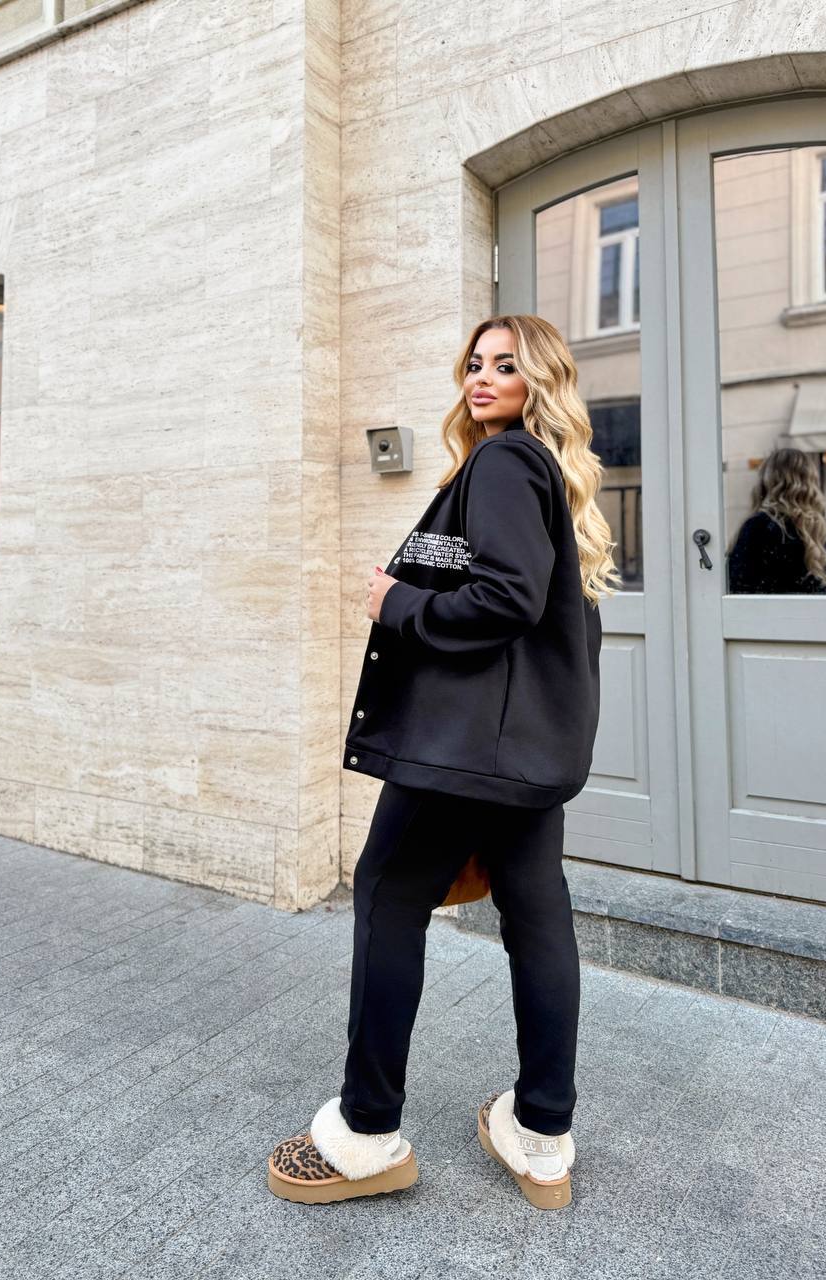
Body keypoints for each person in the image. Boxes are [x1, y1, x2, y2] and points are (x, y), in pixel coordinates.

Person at [267, 314, 621, 1210]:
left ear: (540, 381)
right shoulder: (542, 472)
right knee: (537, 920)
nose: (480, 377)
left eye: (505, 365)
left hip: (464, 750)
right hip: (518, 753)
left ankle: (364, 1136)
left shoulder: (503, 463)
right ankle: (542, 1136)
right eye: (474, 363)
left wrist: (397, 605)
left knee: (388, 895)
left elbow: (505, 598)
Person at [727, 448, 826, 594]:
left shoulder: (758, 526)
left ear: (766, 481)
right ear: (810, 482)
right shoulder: (821, 531)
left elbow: (737, 587)